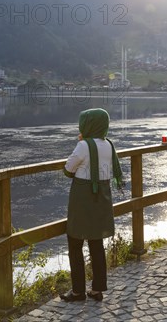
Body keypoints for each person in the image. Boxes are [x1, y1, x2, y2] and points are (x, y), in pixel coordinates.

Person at [59, 108, 123, 302]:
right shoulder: (108, 145)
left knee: (75, 243)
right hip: (102, 197)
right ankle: (97, 289)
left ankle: (78, 291)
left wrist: (80, 143)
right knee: (96, 243)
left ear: (88, 124)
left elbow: (68, 170)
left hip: (83, 199)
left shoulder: (83, 145)